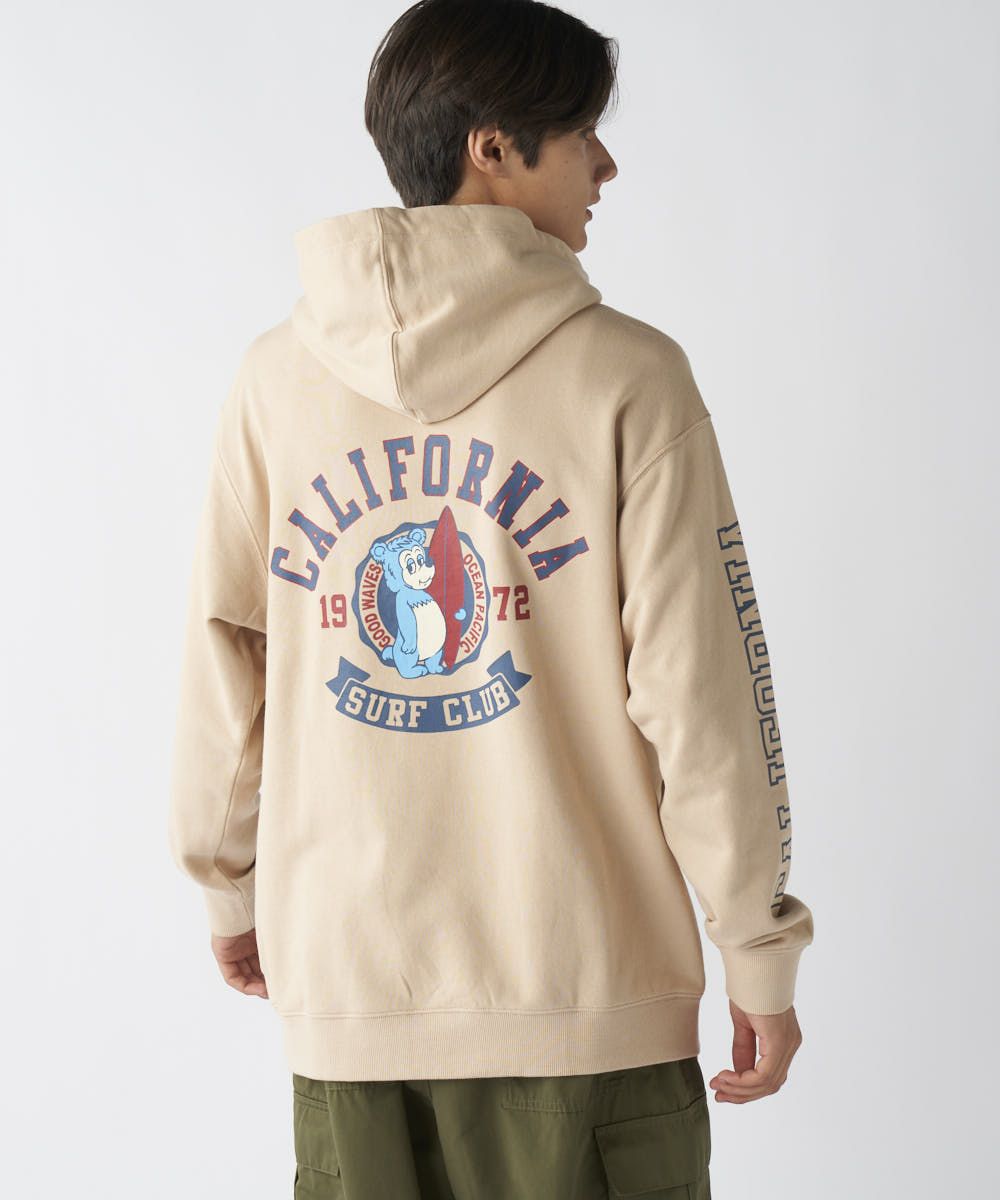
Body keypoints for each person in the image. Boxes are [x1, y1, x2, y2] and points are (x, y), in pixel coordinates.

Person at [167, 1, 815, 1196]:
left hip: (354, 1006)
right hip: (591, 1010)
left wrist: (228, 884)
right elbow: (704, 697)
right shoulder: (630, 377)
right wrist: (756, 946)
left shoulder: (273, 383)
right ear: (494, 146)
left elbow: (227, 664)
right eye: (581, 133)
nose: (606, 166)